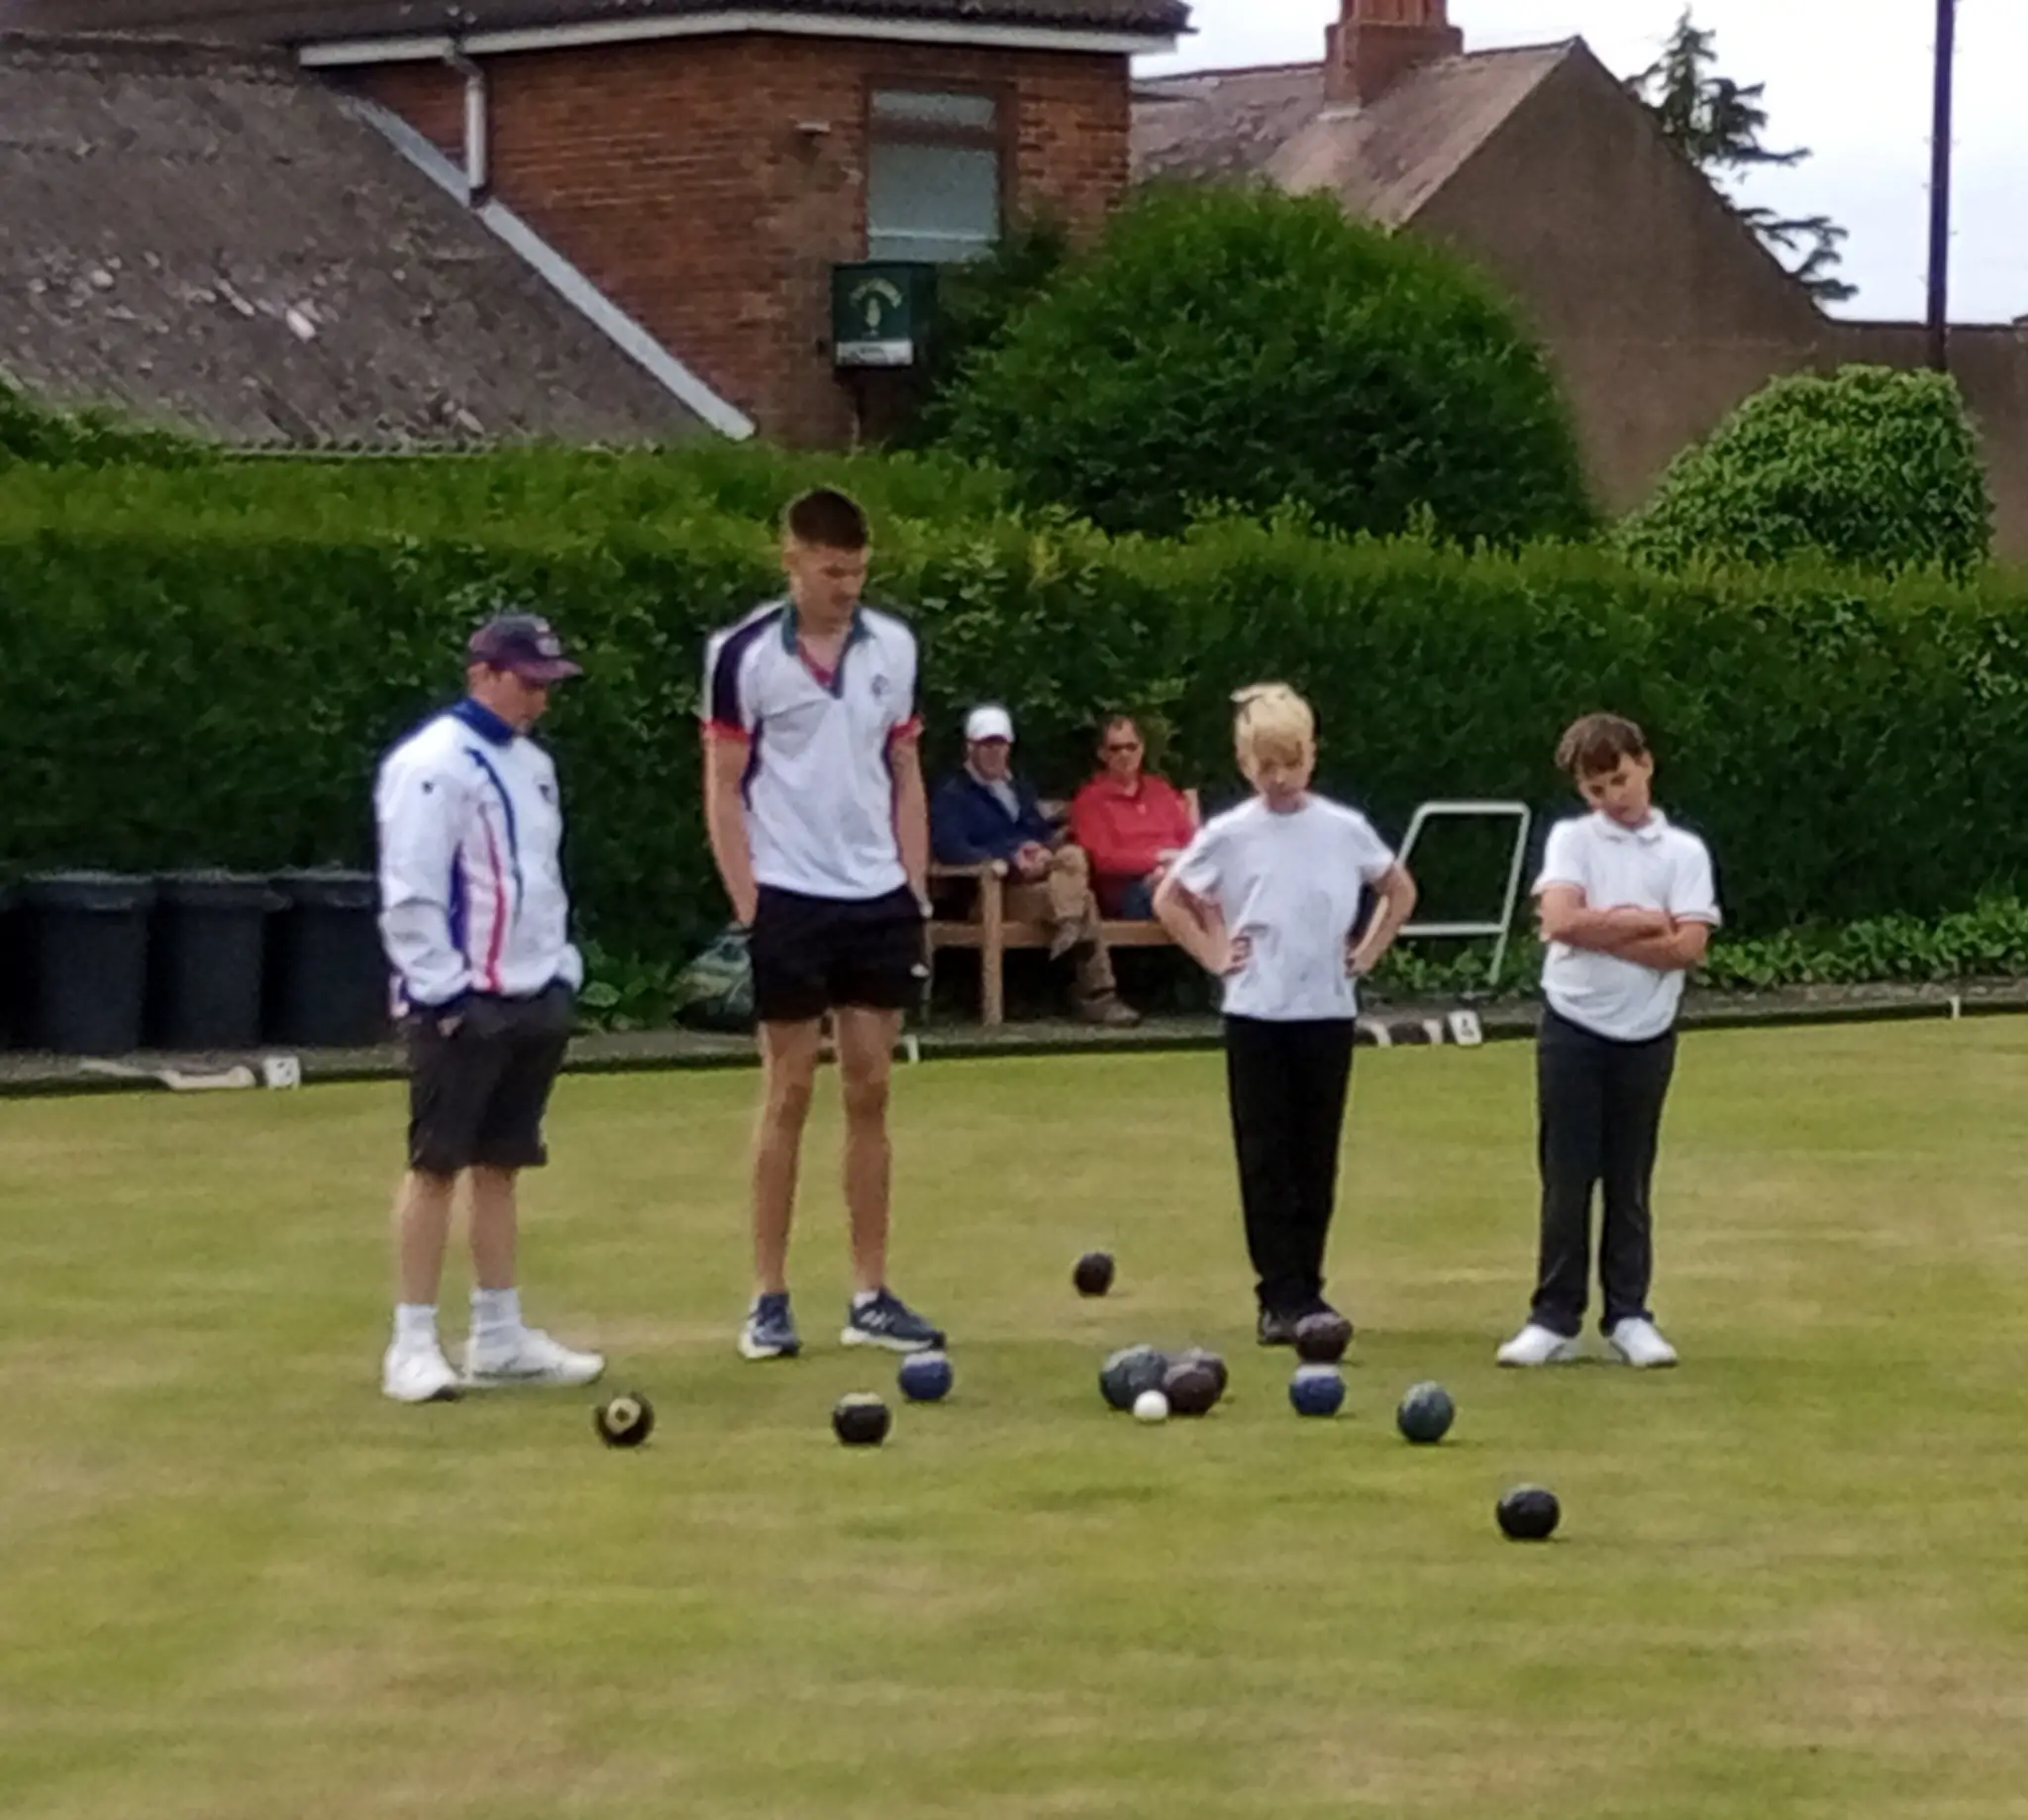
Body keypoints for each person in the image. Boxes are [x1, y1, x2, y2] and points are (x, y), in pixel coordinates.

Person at [701, 487, 945, 1362]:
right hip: (789, 895)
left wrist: (912, 890)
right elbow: (723, 785)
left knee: (872, 1088)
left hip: (876, 894)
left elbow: (905, 769)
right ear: (792, 558)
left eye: (859, 573)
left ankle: (870, 1293)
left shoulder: (896, 647)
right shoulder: (740, 654)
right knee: (789, 1090)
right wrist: (750, 907)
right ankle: (769, 1298)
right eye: (833, 571)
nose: (847, 587)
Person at [373, 611, 606, 1405]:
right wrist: (439, 990)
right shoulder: (433, 763)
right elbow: (411, 888)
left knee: (504, 1162)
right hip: (461, 1000)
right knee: (436, 1163)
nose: (538, 699)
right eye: (525, 682)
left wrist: (558, 971)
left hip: (531, 992)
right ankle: (411, 1342)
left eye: (546, 684)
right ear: (483, 673)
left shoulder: (534, 766)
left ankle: (499, 1333)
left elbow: (539, 876)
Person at [1155, 684, 1419, 1345]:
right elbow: (1171, 897)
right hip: (1257, 1012)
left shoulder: (1343, 828)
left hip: (1326, 1010)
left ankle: (1309, 1282)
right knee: (1265, 1155)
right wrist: (1217, 955)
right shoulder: (1230, 833)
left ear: (1311, 756)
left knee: (1315, 1153)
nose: (1279, 778)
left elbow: (1398, 888)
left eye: (1290, 763)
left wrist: (1365, 953)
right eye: (1265, 765)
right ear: (1245, 764)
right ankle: (1278, 1294)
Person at [1496, 712, 1721, 1370]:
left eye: (1619, 779)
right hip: (1572, 1025)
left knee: (1630, 1178)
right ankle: (1553, 1319)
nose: (1611, 797)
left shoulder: (1684, 853)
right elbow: (1559, 919)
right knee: (1567, 1177)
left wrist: (1610, 927)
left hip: (1647, 1034)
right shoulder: (1572, 840)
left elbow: (1687, 945)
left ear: (1645, 764)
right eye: (1596, 789)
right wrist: (1642, 923)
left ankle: (1629, 1315)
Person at [930, 704, 1140, 1027]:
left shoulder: (1017, 787)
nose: (993, 752)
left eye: (999, 744)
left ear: (1009, 747)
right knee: (1085, 900)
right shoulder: (953, 794)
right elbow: (950, 847)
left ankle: (1069, 924)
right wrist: (1009, 858)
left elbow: (1037, 831)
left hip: (1038, 881)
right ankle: (1097, 996)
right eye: (985, 744)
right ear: (969, 747)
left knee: (1072, 856)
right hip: (989, 893)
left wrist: (1040, 849)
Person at [1068, 714, 1199, 918]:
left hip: (1175, 875)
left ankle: (1223, 948)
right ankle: (1216, 949)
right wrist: (1158, 859)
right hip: (1128, 891)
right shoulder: (1090, 800)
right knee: (1178, 891)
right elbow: (1105, 860)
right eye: (1115, 748)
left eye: (1131, 747)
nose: (1124, 754)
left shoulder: (1160, 790)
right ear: (1102, 754)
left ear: (1142, 748)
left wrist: (1176, 864)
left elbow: (1189, 838)